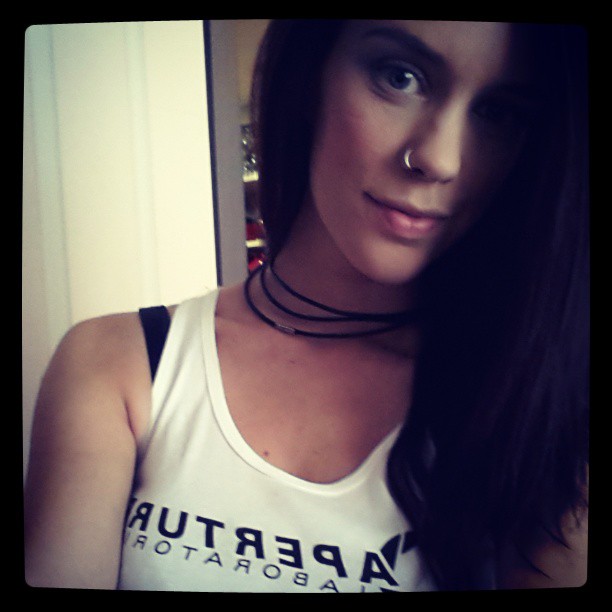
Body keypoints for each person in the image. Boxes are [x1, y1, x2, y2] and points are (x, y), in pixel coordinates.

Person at [24, 19, 589, 592]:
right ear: (309, 75)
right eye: (401, 77)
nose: (441, 159)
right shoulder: (119, 362)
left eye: (498, 113)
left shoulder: (534, 404)